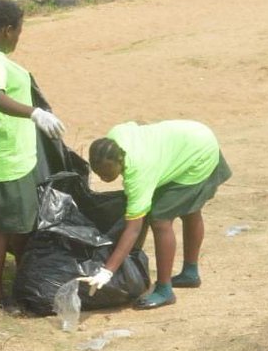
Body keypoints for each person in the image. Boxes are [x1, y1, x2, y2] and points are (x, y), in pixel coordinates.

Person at [0, 0, 65, 311]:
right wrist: (34, 113)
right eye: (20, 30)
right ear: (8, 30)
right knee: (2, 227)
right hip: (3, 157)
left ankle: (23, 284)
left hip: (16, 155)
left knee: (18, 224)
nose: (20, 36)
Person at [84, 121, 231, 310]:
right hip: (193, 137)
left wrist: (108, 271)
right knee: (189, 207)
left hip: (198, 155)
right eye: (98, 172)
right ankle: (190, 274)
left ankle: (164, 290)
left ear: (120, 161)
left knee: (160, 218)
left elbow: (134, 229)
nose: (103, 178)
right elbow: (136, 125)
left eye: (106, 172)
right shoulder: (114, 138)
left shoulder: (138, 172)